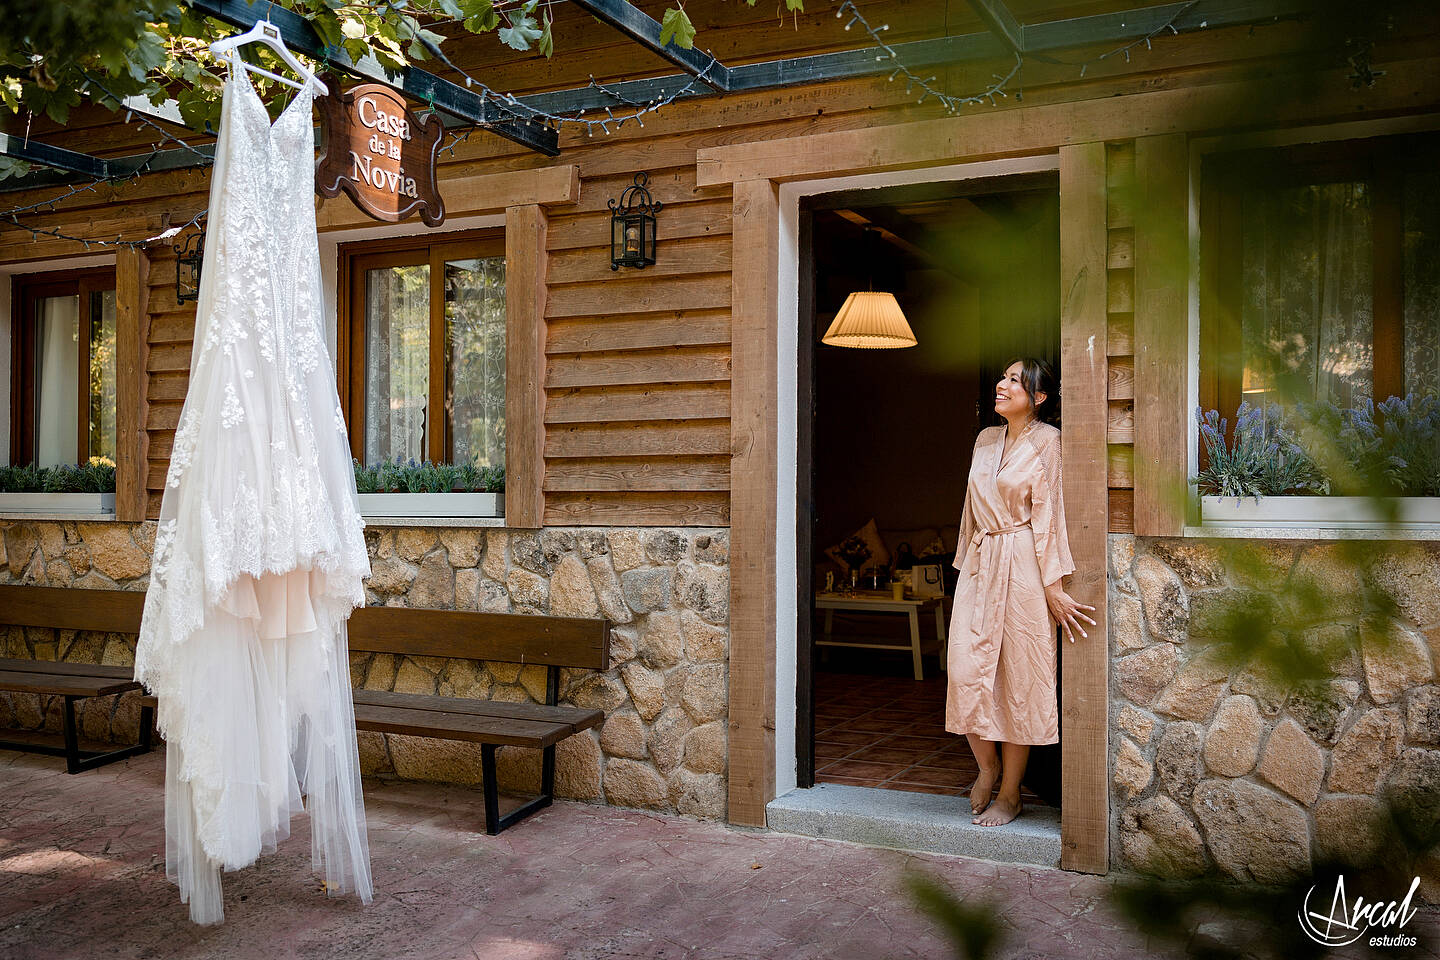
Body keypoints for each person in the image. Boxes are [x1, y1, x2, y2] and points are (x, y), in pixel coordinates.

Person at [946, 357, 1095, 827]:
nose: (1002, 384)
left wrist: (1053, 586)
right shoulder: (985, 440)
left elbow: (1050, 514)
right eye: (1003, 377)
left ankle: (1010, 794)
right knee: (965, 670)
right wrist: (964, 567)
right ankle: (987, 768)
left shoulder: (1049, 441)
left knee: (1019, 681)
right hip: (981, 564)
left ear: (1039, 397)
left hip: (1024, 564)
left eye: (1014, 380)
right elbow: (970, 510)